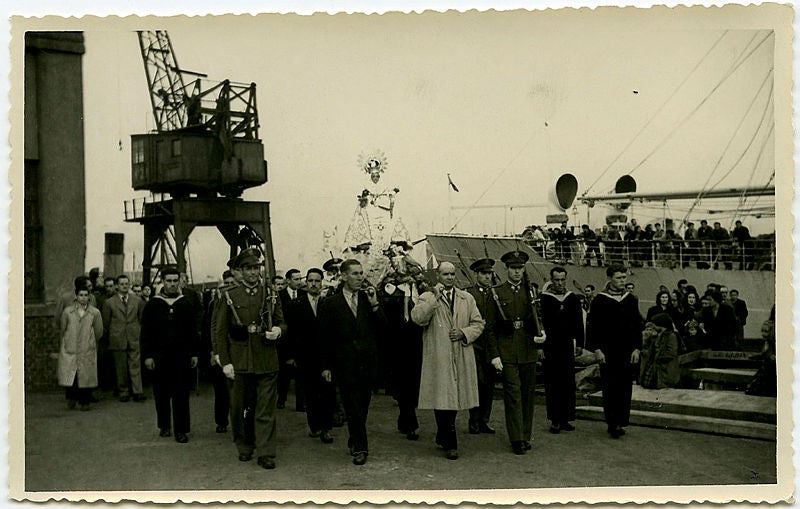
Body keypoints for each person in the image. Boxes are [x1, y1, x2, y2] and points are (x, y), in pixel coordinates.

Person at [214, 248, 286, 470]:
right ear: (240, 271)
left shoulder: (271, 294)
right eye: (249, 269)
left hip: (266, 360)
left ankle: (266, 452)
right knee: (243, 408)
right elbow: (220, 331)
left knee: (265, 409)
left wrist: (278, 331)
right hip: (241, 361)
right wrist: (225, 361)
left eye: (256, 268)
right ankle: (245, 445)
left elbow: (281, 321)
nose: (254, 272)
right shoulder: (229, 295)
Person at [411, 261, 484, 460]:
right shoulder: (427, 297)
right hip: (438, 354)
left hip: (460, 351)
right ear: (437, 276)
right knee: (441, 395)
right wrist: (434, 297)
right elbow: (417, 318)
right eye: (445, 274)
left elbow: (478, 323)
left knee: (453, 397)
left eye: (452, 274)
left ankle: (444, 434)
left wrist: (463, 332)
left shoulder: (466, 298)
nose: (449, 278)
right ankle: (450, 440)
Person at [318, 259, 387, 466]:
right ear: (344, 276)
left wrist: (375, 303)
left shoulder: (368, 300)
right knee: (353, 406)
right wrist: (325, 366)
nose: (360, 277)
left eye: (361, 273)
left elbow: (384, 328)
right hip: (344, 364)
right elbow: (323, 338)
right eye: (355, 274)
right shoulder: (330, 303)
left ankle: (354, 438)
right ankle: (360, 447)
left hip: (367, 363)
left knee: (362, 407)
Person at [488, 250, 544, 455]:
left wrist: (542, 333)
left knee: (528, 395)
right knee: (513, 395)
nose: (517, 272)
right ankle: (517, 438)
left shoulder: (531, 291)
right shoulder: (498, 292)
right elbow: (490, 328)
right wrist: (494, 355)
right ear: (507, 269)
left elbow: (538, 317)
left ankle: (525, 435)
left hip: (528, 349)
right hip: (507, 351)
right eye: (513, 268)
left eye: (520, 268)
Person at [141, 268, 200, 443]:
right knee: (161, 392)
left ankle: (181, 430)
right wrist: (148, 355)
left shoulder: (186, 304)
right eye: (169, 281)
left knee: (181, 393)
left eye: (175, 281)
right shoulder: (153, 305)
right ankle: (164, 425)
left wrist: (194, 353)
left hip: (181, 356)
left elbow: (192, 332)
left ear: (180, 282)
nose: (173, 284)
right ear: (163, 281)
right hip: (159, 356)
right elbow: (146, 332)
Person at [586, 264, 642, 439]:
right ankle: (612, 423)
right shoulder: (599, 301)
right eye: (618, 278)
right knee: (610, 386)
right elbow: (593, 327)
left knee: (625, 386)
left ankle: (621, 421)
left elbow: (636, 326)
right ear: (610, 278)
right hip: (607, 351)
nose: (622, 281)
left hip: (627, 351)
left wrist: (637, 348)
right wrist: (597, 349)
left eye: (624, 278)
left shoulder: (631, 300)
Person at [286, 268, 335, 444]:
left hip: (325, 356)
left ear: (321, 283)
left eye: (317, 281)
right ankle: (314, 425)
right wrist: (291, 355)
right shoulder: (296, 305)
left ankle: (326, 428)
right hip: (305, 357)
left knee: (327, 392)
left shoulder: (328, 304)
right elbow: (291, 332)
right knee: (311, 393)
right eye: (311, 281)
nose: (314, 284)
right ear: (306, 283)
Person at [378, 258, 425, 441]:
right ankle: (409, 420)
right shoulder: (389, 289)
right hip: (396, 344)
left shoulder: (419, 289)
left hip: (416, 342)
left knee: (413, 382)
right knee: (401, 381)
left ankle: (406, 417)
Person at [540, 266, 584, 434]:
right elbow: (540, 323)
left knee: (567, 382)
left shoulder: (572, 298)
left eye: (562, 279)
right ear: (551, 280)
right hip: (550, 345)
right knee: (553, 383)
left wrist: (579, 343)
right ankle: (555, 420)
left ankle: (566, 418)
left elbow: (578, 322)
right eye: (556, 280)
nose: (559, 283)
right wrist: (540, 347)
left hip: (566, 345)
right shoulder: (544, 298)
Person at [57, 282, 103, 411]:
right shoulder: (68, 312)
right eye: (80, 295)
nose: (83, 298)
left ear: (89, 297)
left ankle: (85, 401)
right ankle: (71, 399)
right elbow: (63, 328)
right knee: (72, 375)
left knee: (86, 376)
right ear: (76, 296)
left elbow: (99, 331)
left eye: (85, 295)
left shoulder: (94, 313)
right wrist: (67, 341)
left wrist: (91, 342)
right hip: (70, 347)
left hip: (86, 348)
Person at [465, 258, 498, 436]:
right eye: (484, 274)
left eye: (489, 274)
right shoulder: (469, 295)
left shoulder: (496, 294)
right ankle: (474, 420)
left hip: (491, 346)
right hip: (474, 345)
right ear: (476, 275)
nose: (487, 277)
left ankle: (485, 420)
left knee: (490, 384)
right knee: (477, 383)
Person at [102, 274, 147, 403]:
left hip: (134, 336)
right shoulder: (109, 303)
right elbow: (106, 322)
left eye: (126, 284)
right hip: (117, 337)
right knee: (120, 367)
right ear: (117, 286)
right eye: (121, 284)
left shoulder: (137, 301)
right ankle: (124, 391)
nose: (124, 286)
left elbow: (141, 318)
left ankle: (137, 391)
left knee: (135, 364)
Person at [206, 266, 239, 433]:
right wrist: (214, 351)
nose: (229, 286)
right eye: (226, 283)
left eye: (232, 283)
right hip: (221, 350)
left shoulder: (240, 300)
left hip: (238, 350)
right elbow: (212, 327)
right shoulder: (216, 302)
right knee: (221, 390)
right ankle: (221, 421)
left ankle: (241, 422)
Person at [277, 268, 304, 410]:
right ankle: (281, 398)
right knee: (284, 372)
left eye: (300, 279)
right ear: (288, 280)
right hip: (285, 340)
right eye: (296, 279)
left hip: (300, 340)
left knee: (300, 372)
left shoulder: (303, 295)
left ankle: (301, 403)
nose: (299, 282)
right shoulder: (280, 296)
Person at [638, 313, 680, 389]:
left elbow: (671, 353)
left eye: (655, 324)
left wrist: (657, 358)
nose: (653, 326)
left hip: (664, 371)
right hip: (654, 369)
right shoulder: (656, 335)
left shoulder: (671, 336)